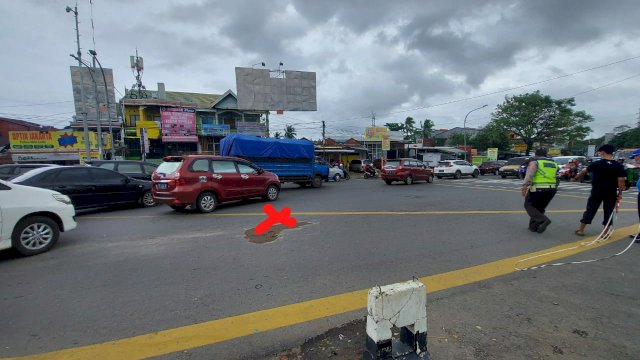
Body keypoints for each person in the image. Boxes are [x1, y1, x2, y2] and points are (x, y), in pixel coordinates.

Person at [573, 144, 626, 236]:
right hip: (611, 192)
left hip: (597, 191)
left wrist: (575, 177)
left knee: (590, 209)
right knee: (608, 211)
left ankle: (581, 230)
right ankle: (605, 233)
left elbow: (584, 171)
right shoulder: (618, 166)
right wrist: (620, 192)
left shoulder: (597, 164)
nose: (600, 153)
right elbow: (621, 180)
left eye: (600, 152)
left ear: (603, 152)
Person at [521, 149, 558, 233]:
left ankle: (542, 220)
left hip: (538, 187)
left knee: (529, 205)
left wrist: (524, 187)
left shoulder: (535, 162)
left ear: (536, 154)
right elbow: (556, 176)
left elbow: (529, 175)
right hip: (552, 189)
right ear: (546, 154)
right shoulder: (554, 163)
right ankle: (534, 227)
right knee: (539, 208)